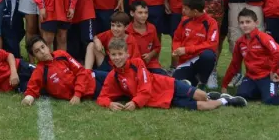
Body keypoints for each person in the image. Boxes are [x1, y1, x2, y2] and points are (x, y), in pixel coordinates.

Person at [97, 38, 245, 111]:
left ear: (127, 54)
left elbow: (146, 87)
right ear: (109, 55)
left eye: (120, 54)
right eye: (114, 55)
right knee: (201, 106)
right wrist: (109, 104)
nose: (117, 58)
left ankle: (212, 95)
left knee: (201, 96)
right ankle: (226, 101)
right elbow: (102, 96)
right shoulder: (113, 75)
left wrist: (136, 102)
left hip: (168, 85)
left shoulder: (137, 63)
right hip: (161, 100)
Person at [221, 8, 279, 104]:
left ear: (256, 23)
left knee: (270, 100)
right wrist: (224, 85)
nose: (244, 25)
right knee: (241, 96)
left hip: (267, 77)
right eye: (241, 23)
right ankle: (264, 91)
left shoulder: (263, 37)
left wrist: (273, 71)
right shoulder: (240, 42)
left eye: (248, 22)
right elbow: (234, 64)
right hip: (251, 77)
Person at [20, 35, 97, 106]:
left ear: (47, 46)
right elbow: (32, 89)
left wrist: (77, 94)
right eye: (37, 51)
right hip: (89, 90)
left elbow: (81, 71)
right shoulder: (40, 71)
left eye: (42, 47)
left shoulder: (61, 54)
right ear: (34, 56)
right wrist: (27, 99)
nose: (42, 52)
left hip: (93, 79)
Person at [171, 0, 219, 87]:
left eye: (186, 9)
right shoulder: (184, 20)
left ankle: (203, 81)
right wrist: (176, 50)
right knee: (176, 84)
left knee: (208, 55)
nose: (183, 11)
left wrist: (186, 50)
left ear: (195, 11)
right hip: (186, 61)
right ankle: (194, 80)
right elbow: (177, 38)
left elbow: (212, 44)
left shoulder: (211, 23)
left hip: (200, 59)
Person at [128, 0, 163, 73]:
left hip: (150, 64)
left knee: (164, 78)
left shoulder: (152, 28)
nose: (144, 15)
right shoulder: (127, 31)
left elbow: (157, 47)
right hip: (133, 66)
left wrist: (150, 55)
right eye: (140, 13)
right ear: (132, 13)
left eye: (146, 12)